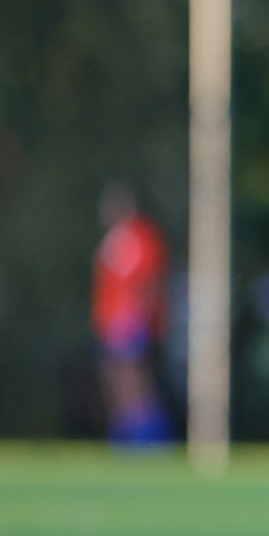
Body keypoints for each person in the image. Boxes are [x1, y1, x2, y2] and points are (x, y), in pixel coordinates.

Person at [91, 182, 174, 445]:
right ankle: (125, 438)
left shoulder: (141, 237)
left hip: (131, 322)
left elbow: (149, 281)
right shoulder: (112, 240)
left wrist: (142, 319)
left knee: (135, 382)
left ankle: (150, 439)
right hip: (111, 323)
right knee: (116, 381)